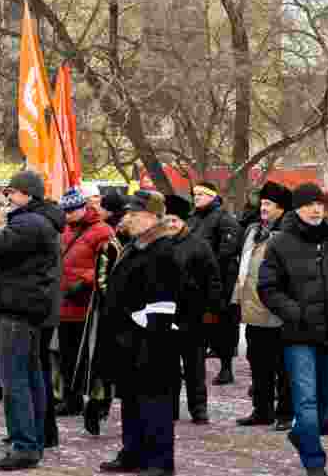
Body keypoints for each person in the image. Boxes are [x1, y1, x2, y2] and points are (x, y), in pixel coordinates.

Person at [257, 182, 328, 476]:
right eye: (308, 204)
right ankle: (314, 462)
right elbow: (267, 287)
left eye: (320, 204)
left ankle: (301, 434)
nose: (316, 209)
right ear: (297, 208)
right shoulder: (280, 242)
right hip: (299, 335)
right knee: (305, 400)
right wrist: (296, 313)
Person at [0, 169, 62, 471]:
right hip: (30, 309)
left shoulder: (29, 222)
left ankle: (24, 446)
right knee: (31, 377)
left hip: (18, 309)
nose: (7, 197)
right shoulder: (40, 220)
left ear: (26, 194)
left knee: (15, 380)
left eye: (11, 192)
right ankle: (35, 438)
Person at [98, 190, 181, 476]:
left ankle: (158, 461)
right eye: (128, 213)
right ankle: (133, 452)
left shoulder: (163, 251)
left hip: (151, 340)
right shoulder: (137, 245)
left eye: (134, 214)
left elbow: (163, 303)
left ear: (153, 217)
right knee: (132, 399)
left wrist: (146, 332)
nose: (128, 218)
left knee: (154, 401)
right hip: (128, 338)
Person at [233, 181, 293, 429]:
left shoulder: (290, 234)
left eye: (268, 204)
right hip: (253, 308)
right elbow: (244, 267)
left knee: (283, 367)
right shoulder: (253, 230)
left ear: (281, 208)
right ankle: (262, 409)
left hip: (278, 310)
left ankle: (285, 414)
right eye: (262, 203)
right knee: (258, 364)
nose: (263, 208)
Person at [164, 193, 222, 425]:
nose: (170, 225)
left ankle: (199, 408)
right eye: (166, 220)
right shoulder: (158, 244)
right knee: (167, 365)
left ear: (183, 222)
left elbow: (213, 280)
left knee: (194, 366)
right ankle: (170, 408)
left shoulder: (200, 246)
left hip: (193, 313)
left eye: (174, 221)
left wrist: (211, 309)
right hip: (166, 313)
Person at [57, 186, 113, 417]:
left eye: (71, 211)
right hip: (65, 304)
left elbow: (108, 264)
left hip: (89, 306)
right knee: (68, 357)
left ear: (83, 208)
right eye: (65, 211)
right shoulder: (65, 230)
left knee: (93, 358)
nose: (67, 215)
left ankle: (100, 402)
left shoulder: (102, 231)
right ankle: (72, 399)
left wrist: (84, 281)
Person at [187, 181, 242, 385]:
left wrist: (207, 268)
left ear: (213, 196)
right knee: (198, 327)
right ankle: (195, 365)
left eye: (201, 194)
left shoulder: (225, 219)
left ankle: (226, 368)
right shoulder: (192, 219)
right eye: (195, 194)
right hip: (195, 283)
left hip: (220, 282)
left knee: (223, 326)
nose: (197, 197)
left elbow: (228, 250)